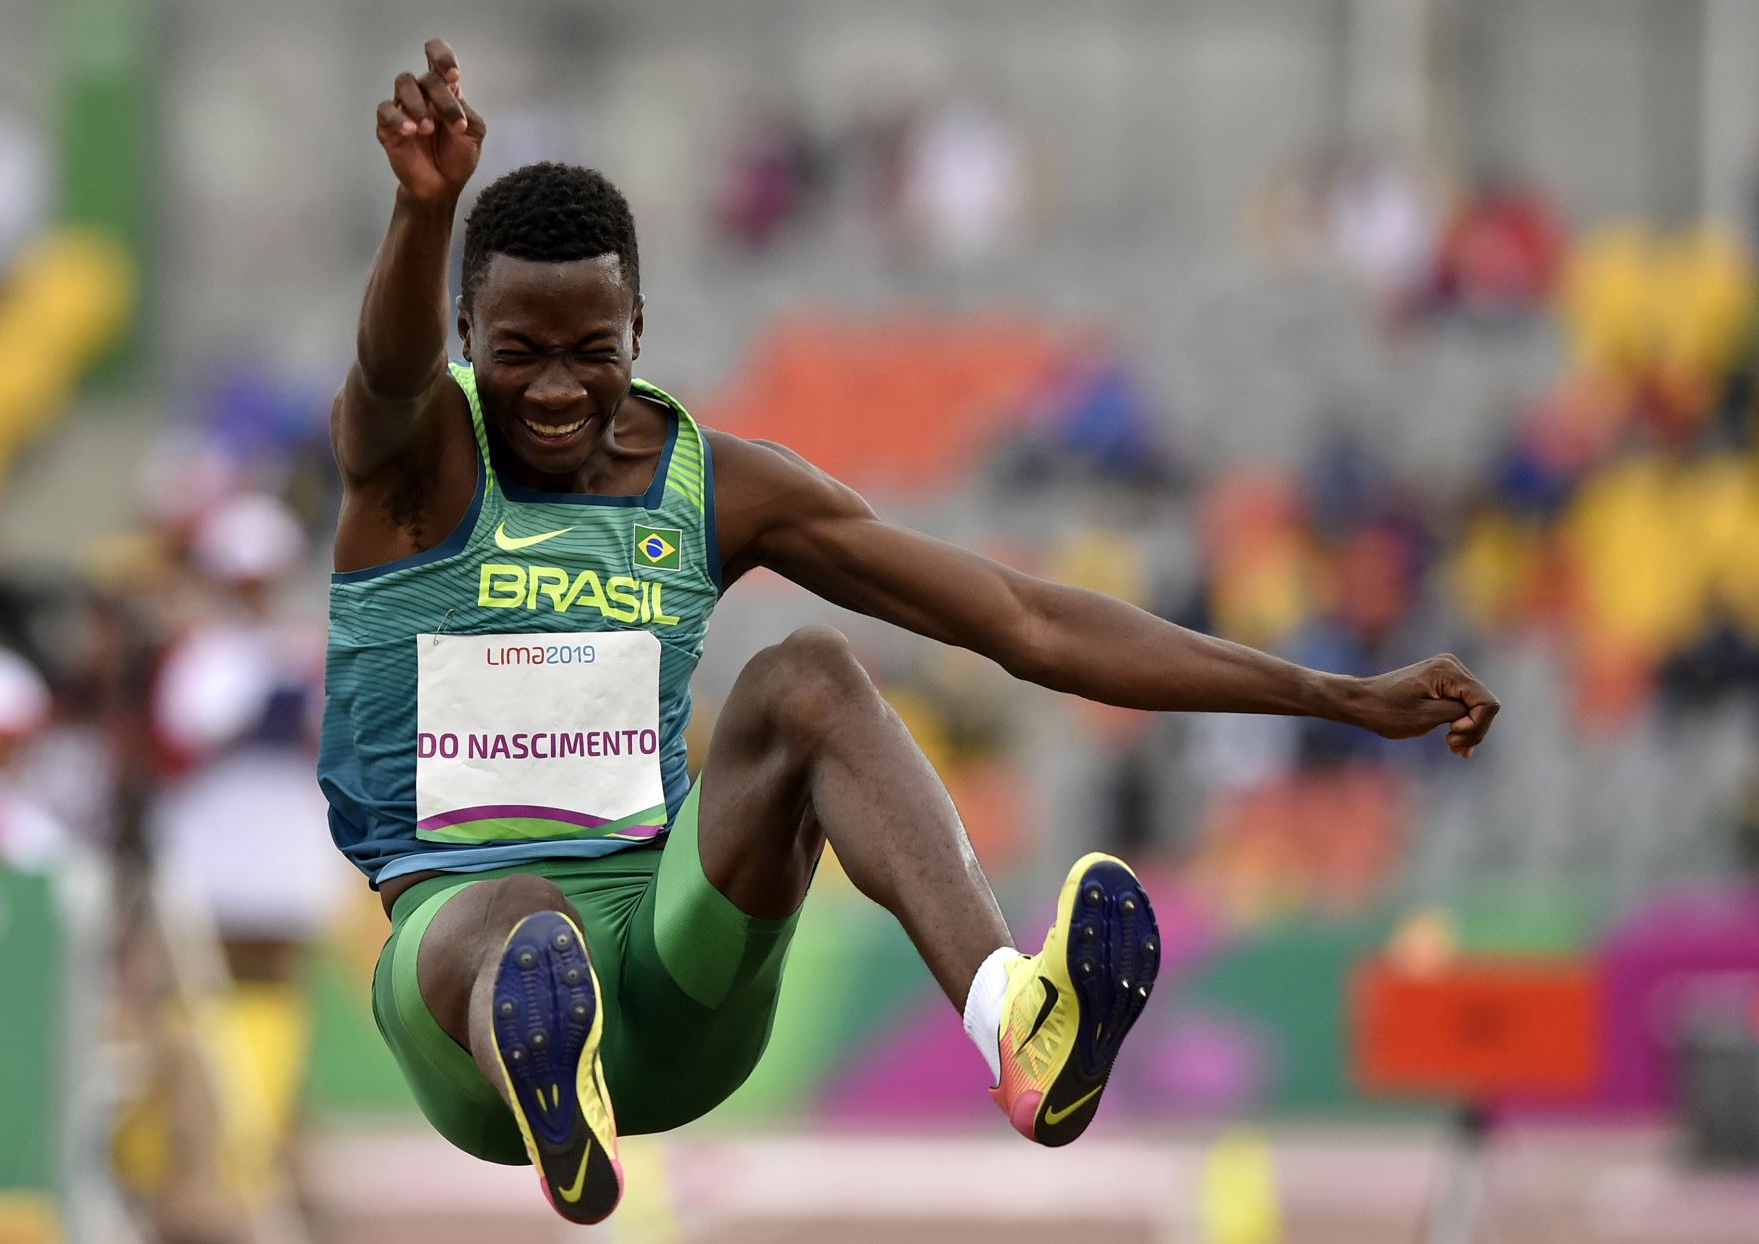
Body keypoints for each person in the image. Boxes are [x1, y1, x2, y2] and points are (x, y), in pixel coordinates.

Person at [320, 39, 1501, 1225]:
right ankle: (550, 1076)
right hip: (463, 1002)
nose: (560, 389)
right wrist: (424, 214)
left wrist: (1332, 693)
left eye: (596, 351)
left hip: (678, 972)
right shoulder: (412, 472)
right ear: (467, 335)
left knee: (809, 673)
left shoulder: (717, 486)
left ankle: (1016, 1017)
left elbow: (1024, 617)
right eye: (519, 353)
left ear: (641, 327)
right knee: (522, 921)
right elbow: (387, 370)